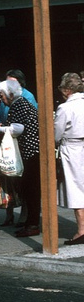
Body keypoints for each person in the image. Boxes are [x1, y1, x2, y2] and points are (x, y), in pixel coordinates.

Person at [0, 79, 41, 237]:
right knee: (31, 190)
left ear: (10, 94)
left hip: (30, 152)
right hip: (33, 151)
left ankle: (32, 224)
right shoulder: (21, 103)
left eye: (1, 95)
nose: (1, 98)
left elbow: (17, 129)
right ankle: (31, 222)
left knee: (31, 189)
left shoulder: (18, 105)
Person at [54, 72, 84, 245]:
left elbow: (56, 134)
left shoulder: (65, 108)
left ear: (66, 90)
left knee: (76, 189)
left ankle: (81, 231)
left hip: (72, 148)